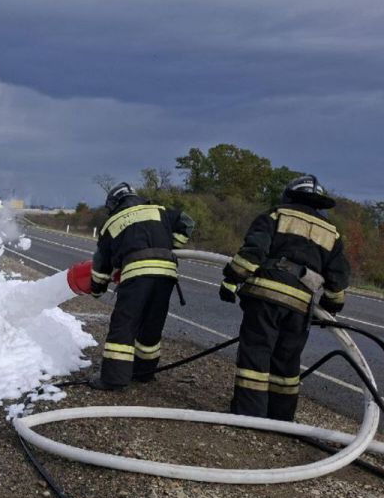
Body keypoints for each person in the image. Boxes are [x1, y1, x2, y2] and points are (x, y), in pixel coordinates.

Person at [219, 174, 349, 420]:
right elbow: (338, 277)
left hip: (265, 296)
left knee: (256, 354)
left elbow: (254, 251)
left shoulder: (275, 215)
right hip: (300, 305)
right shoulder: (332, 233)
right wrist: (331, 305)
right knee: (287, 363)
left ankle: (248, 415)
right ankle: (281, 418)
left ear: (289, 195)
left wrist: (231, 280)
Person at [89, 183, 196, 389]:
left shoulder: (112, 223)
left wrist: (97, 288)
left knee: (124, 325)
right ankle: (144, 372)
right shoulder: (159, 210)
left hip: (137, 276)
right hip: (166, 274)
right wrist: (169, 243)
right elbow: (187, 222)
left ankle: (113, 379)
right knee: (151, 325)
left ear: (114, 204)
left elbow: (101, 264)